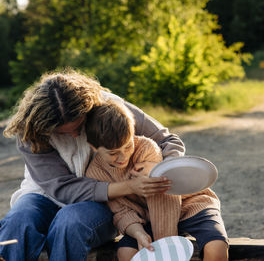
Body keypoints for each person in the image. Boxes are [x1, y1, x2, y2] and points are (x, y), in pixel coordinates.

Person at [0, 69, 185, 261]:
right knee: (18, 222)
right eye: (62, 133)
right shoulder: (31, 130)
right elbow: (63, 188)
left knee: (69, 223)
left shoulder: (110, 107)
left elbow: (167, 140)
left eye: (78, 127)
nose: (76, 136)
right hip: (42, 197)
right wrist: (129, 186)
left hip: (99, 204)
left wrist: (157, 168)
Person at [85, 100, 229, 261]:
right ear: (93, 146)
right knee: (126, 252)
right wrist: (138, 232)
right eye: (113, 153)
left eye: (127, 147)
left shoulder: (146, 148)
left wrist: (164, 246)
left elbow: (164, 199)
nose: (123, 156)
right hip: (148, 218)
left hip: (190, 204)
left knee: (216, 247)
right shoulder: (95, 173)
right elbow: (121, 210)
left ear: (133, 134)